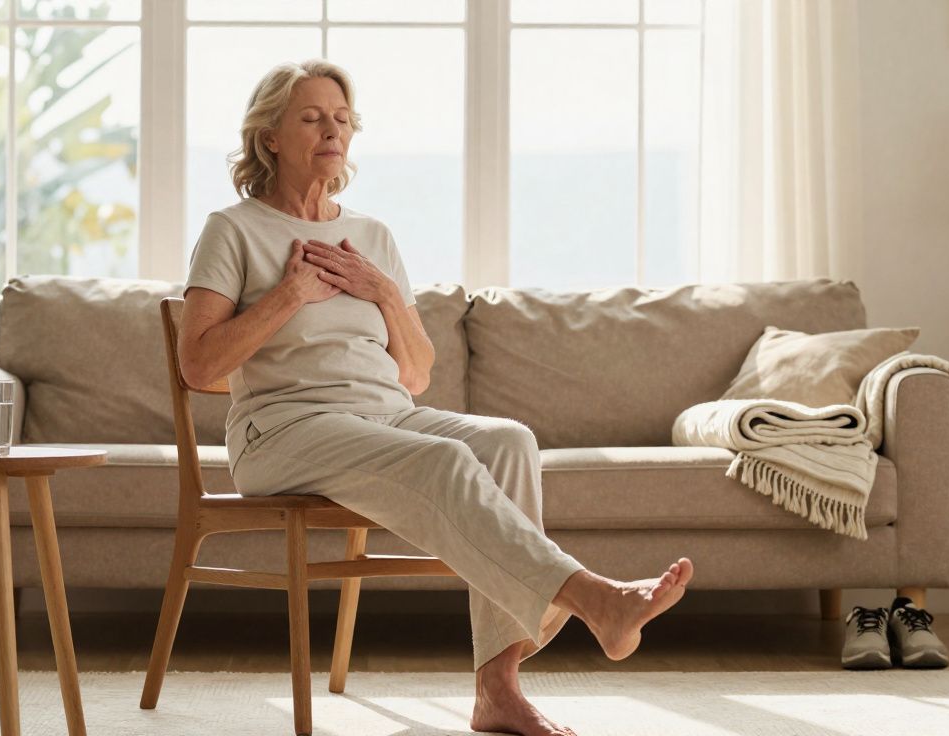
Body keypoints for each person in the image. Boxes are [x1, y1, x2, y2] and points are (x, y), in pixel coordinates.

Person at [180, 58, 695, 736]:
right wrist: (288, 296)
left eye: (341, 119)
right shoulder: (233, 230)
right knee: (446, 462)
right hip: (280, 428)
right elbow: (197, 364)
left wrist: (385, 292)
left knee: (509, 441)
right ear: (269, 136)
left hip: (385, 414)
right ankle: (596, 599)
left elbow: (416, 374)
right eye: (311, 118)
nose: (332, 131)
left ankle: (497, 687)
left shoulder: (373, 238)